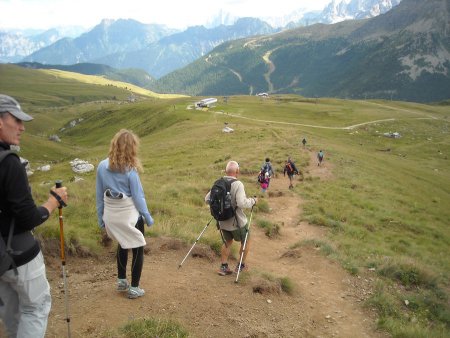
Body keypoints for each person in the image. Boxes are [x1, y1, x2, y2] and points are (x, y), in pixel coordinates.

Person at [0, 94, 68, 338]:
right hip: (20, 256)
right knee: (36, 307)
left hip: (0, 260)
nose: (22, 127)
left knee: (11, 312)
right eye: (16, 120)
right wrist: (53, 202)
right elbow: (29, 218)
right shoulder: (9, 163)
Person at [96, 129, 154, 299]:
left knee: (122, 243)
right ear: (132, 148)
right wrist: (147, 217)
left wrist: (101, 218)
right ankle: (134, 288)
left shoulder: (101, 166)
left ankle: (122, 281)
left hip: (111, 216)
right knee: (137, 248)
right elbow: (138, 197)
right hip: (129, 215)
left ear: (114, 144)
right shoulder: (130, 170)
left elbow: (99, 195)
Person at [205, 161, 257, 275]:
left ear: (225, 171)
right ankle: (240, 266)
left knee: (227, 242)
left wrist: (220, 209)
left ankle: (223, 267)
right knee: (246, 240)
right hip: (237, 221)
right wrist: (253, 201)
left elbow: (207, 199)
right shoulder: (238, 184)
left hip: (222, 221)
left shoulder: (218, 182)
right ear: (237, 171)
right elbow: (242, 203)